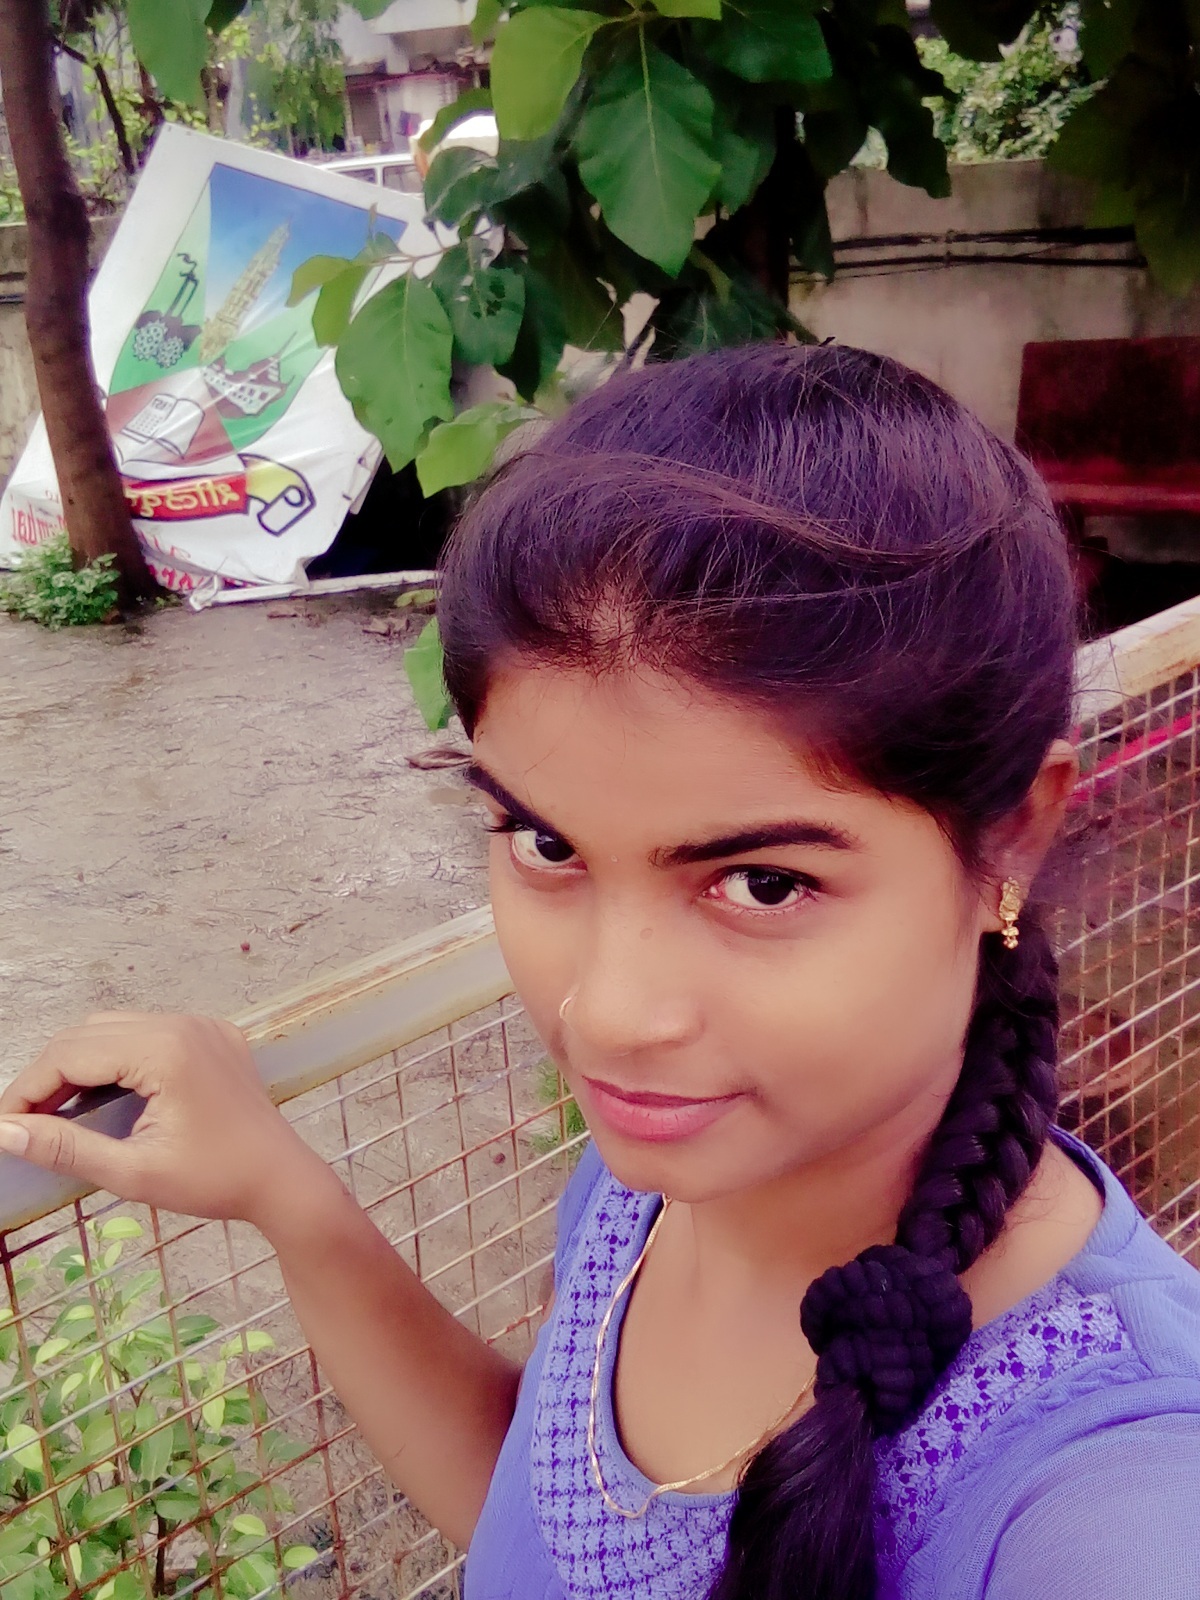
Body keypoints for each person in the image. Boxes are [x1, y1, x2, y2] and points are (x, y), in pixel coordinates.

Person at [4, 344, 1200, 1600]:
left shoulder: (1110, 1491)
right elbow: (543, 1519)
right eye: (545, 844)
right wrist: (282, 1187)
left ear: (1014, 832)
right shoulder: (647, 1186)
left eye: (764, 883)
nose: (608, 1018)